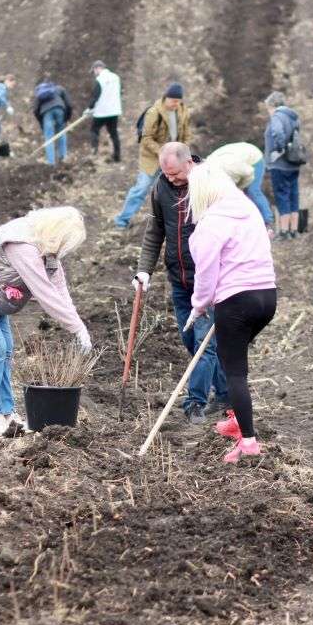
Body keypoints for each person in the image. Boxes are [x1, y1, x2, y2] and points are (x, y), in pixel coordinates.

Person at [0, 206, 91, 437]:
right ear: (57, 233)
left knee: (6, 349)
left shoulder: (46, 248)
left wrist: (80, 328)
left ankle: (8, 413)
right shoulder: (22, 243)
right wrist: (74, 327)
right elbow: (44, 292)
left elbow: (59, 288)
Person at [185, 164, 277, 464]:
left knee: (234, 371)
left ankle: (248, 442)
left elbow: (206, 273)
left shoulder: (211, 223)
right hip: (266, 297)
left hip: (236, 302)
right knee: (237, 361)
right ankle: (238, 418)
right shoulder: (248, 209)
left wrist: (199, 305)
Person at [133, 142, 227, 423]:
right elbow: (155, 230)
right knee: (190, 341)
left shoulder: (210, 185)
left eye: (174, 174)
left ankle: (194, 403)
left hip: (208, 280)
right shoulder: (161, 187)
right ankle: (225, 393)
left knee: (203, 345)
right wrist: (144, 270)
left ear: (189, 163)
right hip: (179, 279)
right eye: (165, 173)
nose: (170, 178)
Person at [113, 82, 191, 229]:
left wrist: (182, 150)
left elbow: (186, 134)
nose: (176, 104)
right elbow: (146, 138)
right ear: (166, 98)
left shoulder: (183, 111)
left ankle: (170, 223)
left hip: (174, 160)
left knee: (172, 191)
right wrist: (163, 152)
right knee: (141, 189)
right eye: (173, 101)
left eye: (178, 101)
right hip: (152, 159)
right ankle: (122, 221)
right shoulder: (154, 112)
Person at [262, 92, 304, 239]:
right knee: (293, 194)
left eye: (268, 108)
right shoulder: (293, 117)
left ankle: (284, 231)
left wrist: (280, 149)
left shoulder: (277, 117)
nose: (268, 112)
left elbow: (278, 132)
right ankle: (294, 230)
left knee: (282, 195)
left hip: (280, 164)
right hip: (294, 163)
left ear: (272, 106)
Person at [205, 141, 275, 229]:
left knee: (252, 190)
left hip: (254, 159)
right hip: (237, 158)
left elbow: (249, 174)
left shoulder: (230, 165)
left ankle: (268, 220)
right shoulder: (208, 168)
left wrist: (240, 188)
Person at [86, 61, 122, 161]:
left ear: (98, 68)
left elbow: (95, 96)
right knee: (113, 133)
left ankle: (94, 153)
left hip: (102, 112)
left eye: (94, 71)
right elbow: (119, 92)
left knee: (94, 130)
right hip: (114, 110)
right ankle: (117, 156)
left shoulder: (100, 79)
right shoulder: (116, 77)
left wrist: (89, 109)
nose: (94, 73)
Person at [33, 79, 73, 166]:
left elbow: (35, 110)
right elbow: (69, 104)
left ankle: (51, 162)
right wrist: (67, 118)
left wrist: (42, 123)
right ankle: (63, 157)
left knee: (49, 137)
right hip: (59, 109)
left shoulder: (39, 93)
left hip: (46, 113)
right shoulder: (60, 89)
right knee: (62, 133)